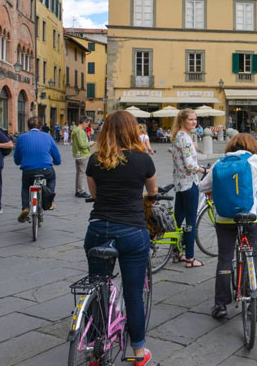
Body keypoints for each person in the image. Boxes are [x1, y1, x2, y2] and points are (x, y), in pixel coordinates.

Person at [85, 110, 156, 366]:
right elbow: (153, 191)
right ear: (133, 130)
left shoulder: (95, 160)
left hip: (98, 230)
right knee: (134, 295)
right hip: (132, 231)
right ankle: (138, 353)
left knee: (97, 287)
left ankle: (96, 346)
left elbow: (94, 195)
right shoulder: (143, 160)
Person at [200, 134, 257, 320]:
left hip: (224, 218)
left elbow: (202, 186)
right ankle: (254, 301)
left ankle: (221, 304)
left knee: (224, 258)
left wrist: (213, 189)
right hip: (249, 216)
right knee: (252, 254)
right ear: (252, 145)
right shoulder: (255, 160)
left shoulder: (220, 162)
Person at [171, 108, 207, 268]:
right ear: (183, 121)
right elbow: (191, 165)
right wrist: (205, 170)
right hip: (189, 183)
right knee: (191, 221)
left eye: (195, 119)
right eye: (191, 119)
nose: (194, 122)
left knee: (178, 220)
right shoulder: (184, 138)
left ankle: (177, 253)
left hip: (179, 183)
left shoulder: (178, 136)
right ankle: (191, 258)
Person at [13, 116, 61, 222]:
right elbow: (56, 156)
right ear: (40, 126)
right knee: (51, 179)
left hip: (28, 170)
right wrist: (57, 162)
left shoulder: (21, 137)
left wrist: (19, 161)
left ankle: (25, 207)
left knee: (26, 187)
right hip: (46, 168)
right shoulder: (47, 137)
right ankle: (49, 202)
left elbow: (16, 158)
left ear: (28, 126)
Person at [73, 116, 94, 198]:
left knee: (78, 173)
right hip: (82, 155)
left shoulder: (75, 130)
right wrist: (90, 143)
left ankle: (78, 190)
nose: (87, 126)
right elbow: (82, 145)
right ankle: (80, 191)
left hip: (77, 155)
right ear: (84, 122)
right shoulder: (80, 132)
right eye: (87, 124)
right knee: (81, 173)